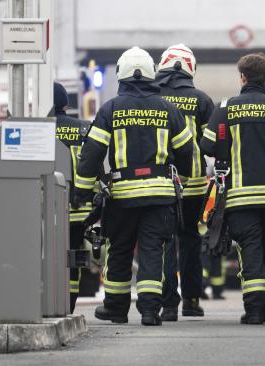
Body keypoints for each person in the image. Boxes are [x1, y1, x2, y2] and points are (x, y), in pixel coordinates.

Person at [74, 46, 193, 325]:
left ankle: (115, 308)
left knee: (120, 249)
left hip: (123, 196)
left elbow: (92, 153)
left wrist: (81, 191)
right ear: (151, 74)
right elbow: (187, 150)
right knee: (153, 250)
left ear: (121, 75)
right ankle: (150, 311)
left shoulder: (110, 109)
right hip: (160, 196)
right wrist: (183, 177)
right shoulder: (168, 108)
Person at [200, 53, 265, 324]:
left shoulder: (226, 108)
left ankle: (255, 310)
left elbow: (207, 146)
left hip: (240, 197)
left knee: (250, 249)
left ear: (242, 77)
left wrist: (226, 143)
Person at [155, 44, 214, 321]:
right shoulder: (201, 100)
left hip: (162, 182)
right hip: (195, 183)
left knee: (165, 240)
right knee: (190, 237)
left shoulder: (152, 97)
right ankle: (191, 299)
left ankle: (168, 304)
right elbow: (210, 144)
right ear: (191, 68)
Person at [53, 82, 91, 312]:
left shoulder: (39, 129)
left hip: (50, 210)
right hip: (80, 211)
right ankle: (69, 305)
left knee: (48, 255)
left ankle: (49, 301)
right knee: (73, 256)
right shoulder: (83, 128)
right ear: (65, 103)